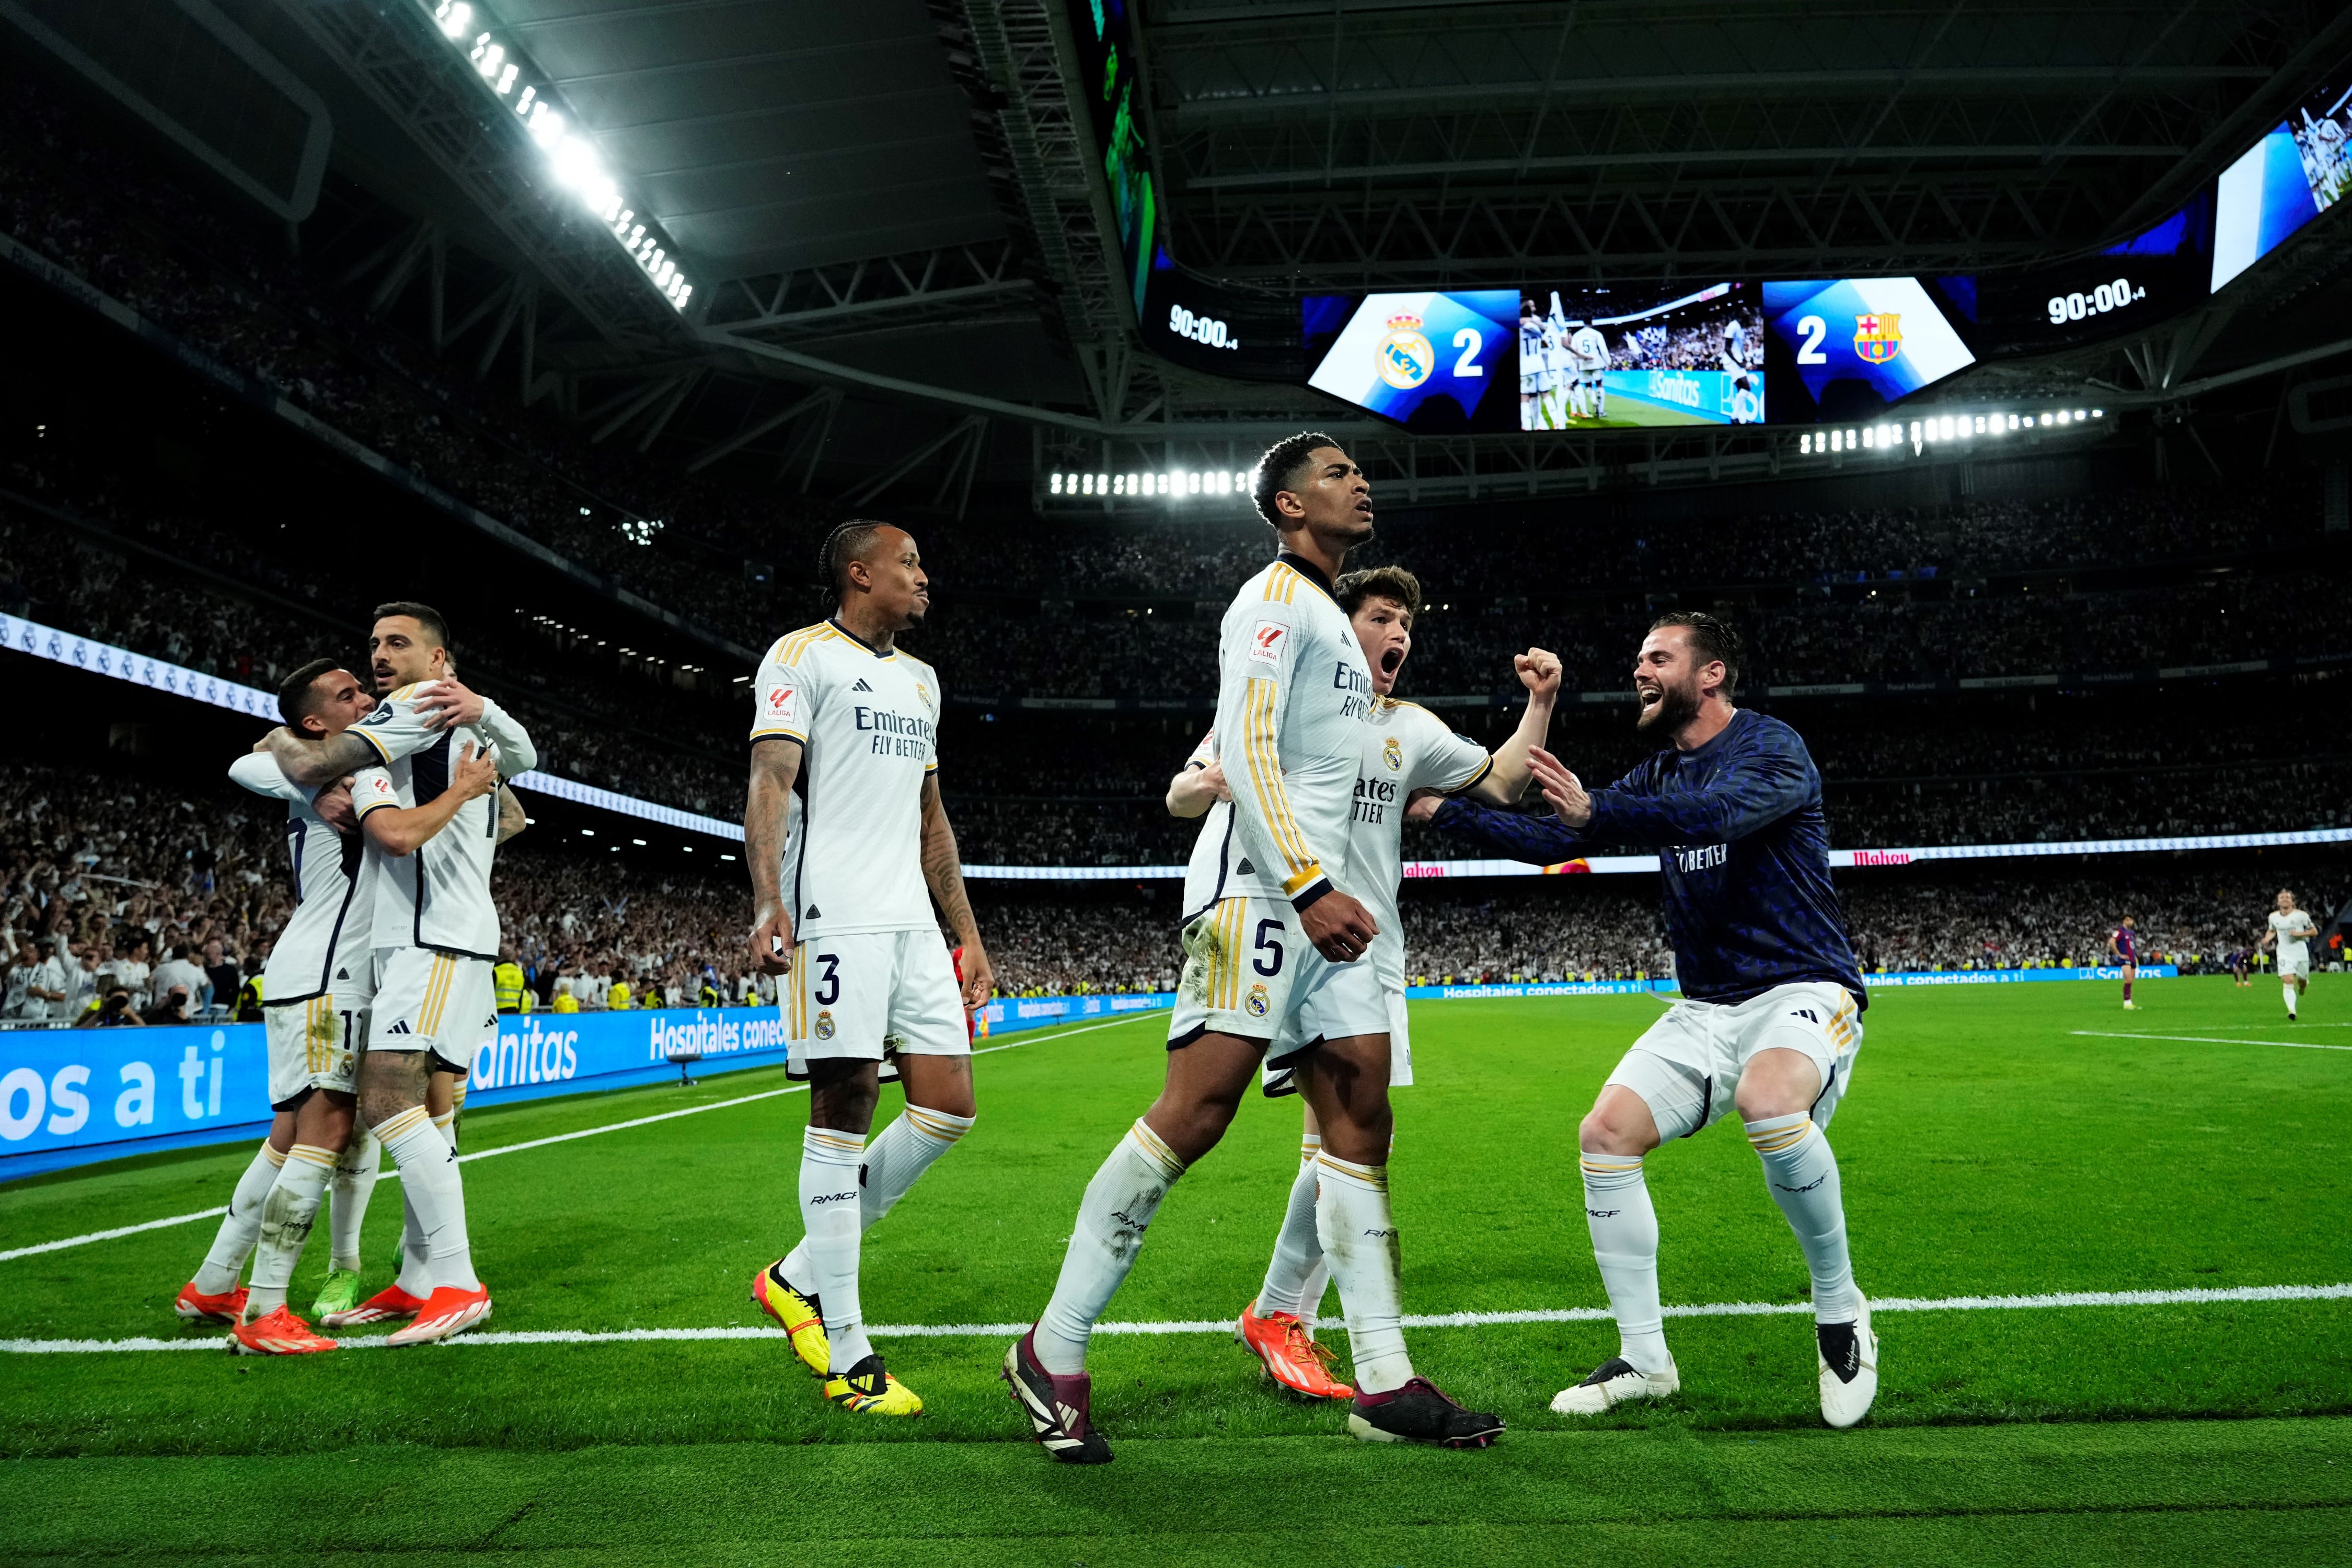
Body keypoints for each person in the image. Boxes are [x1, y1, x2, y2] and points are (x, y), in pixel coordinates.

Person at [1005, 434, 1504, 1464]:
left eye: (1358, 472)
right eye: (1333, 473)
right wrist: (1309, 883)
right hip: (1260, 899)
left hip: (1337, 918)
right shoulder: (1272, 602)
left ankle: (1383, 1378)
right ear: (1286, 504)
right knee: (1198, 1112)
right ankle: (1050, 1350)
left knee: (1360, 1122)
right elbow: (1243, 748)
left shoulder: (1329, 618)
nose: (1358, 482)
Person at [1417, 612, 1879, 1429]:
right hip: (1707, 1005)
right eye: (1638, 657)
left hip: (1803, 987)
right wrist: (1439, 815)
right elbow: (1548, 841)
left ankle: (1840, 1309)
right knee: (1606, 1134)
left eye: (1658, 658)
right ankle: (1646, 1359)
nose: (1640, 669)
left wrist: (1599, 815)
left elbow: (1718, 817)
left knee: (1770, 1104)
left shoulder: (1773, 749)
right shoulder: (1656, 775)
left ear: (1712, 674)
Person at [1166, 563, 1562, 1403]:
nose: (1399, 636)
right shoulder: (1286, 705)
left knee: (1347, 1140)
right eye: (1383, 617)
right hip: (1285, 926)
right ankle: (1288, 1319)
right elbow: (1182, 792)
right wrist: (1200, 785)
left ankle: (1289, 1320)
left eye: (1407, 626)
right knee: (1315, 1134)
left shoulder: (1409, 727)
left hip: (1370, 949)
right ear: (1338, 625)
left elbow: (1498, 780)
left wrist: (1540, 703)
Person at [744, 520, 994, 1420]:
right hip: (831, 912)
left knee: (949, 1107)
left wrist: (966, 934)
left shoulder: (920, 681)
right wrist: (767, 899)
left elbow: (933, 820)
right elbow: (772, 780)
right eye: (910, 563)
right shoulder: (800, 657)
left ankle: (796, 1276)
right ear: (859, 572)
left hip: (910, 923)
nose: (925, 577)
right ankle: (849, 1353)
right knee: (844, 1107)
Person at [264, 602, 537, 1346]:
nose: (381, 655)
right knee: (425, 1101)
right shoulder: (446, 723)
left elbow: (389, 831)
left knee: (385, 1097)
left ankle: (457, 1278)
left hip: (434, 939)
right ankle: (421, 1277)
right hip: (420, 940)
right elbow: (522, 770)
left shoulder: (412, 718)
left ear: (440, 662)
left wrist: (294, 747)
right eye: (375, 643)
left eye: (399, 643)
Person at [179, 659, 380, 1352]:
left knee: (290, 1137)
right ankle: (265, 1312)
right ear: (316, 723)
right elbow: (253, 757)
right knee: (328, 1132)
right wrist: (315, 777)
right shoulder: (320, 765)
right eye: (347, 694)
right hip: (330, 974)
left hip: (311, 968)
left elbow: (267, 752)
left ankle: (212, 1281)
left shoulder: (346, 762)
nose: (367, 696)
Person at [2261, 890, 2319, 1021]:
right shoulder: (2273, 917)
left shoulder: (2302, 916)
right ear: (2278, 902)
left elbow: (2314, 931)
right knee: (2288, 980)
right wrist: (2267, 939)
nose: (2285, 899)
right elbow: (2272, 930)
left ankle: (2303, 987)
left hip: (2300, 953)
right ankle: (2292, 1010)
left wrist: (2300, 934)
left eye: (2287, 897)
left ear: (2293, 901)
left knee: (2302, 981)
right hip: (2284, 953)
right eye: (2282, 897)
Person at [2108, 916, 2139, 1011]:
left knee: (2131, 982)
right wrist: (2119, 954)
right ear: (2125, 921)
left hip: (2132, 959)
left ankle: (2129, 1002)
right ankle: (2126, 1003)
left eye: (2132, 920)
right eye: (2129, 920)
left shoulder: (2131, 933)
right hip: (2125, 959)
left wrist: (2136, 957)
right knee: (2128, 980)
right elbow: (2111, 942)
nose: (2131, 922)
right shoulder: (2120, 932)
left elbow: (2132, 946)